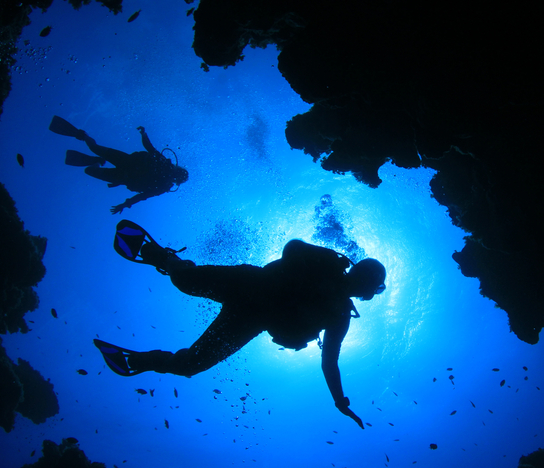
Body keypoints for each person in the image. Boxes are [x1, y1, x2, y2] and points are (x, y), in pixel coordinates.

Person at [94, 221, 386, 428]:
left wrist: (340, 401)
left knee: (191, 365)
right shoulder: (329, 263)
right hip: (251, 283)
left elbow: (329, 362)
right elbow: (293, 247)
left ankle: (143, 361)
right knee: (185, 282)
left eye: (371, 288)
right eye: (370, 286)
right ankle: (163, 258)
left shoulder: (339, 316)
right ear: (364, 280)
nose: (366, 292)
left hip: (251, 320)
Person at [49, 115, 189, 214]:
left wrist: (125, 204)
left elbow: (143, 196)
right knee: (94, 148)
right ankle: (82, 135)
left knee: (89, 171)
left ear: (176, 180)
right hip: (125, 160)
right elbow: (149, 147)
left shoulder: (163, 187)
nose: (173, 173)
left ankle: (96, 161)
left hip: (122, 177)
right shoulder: (163, 162)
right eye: (177, 172)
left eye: (176, 176)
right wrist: (144, 134)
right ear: (177, 169)